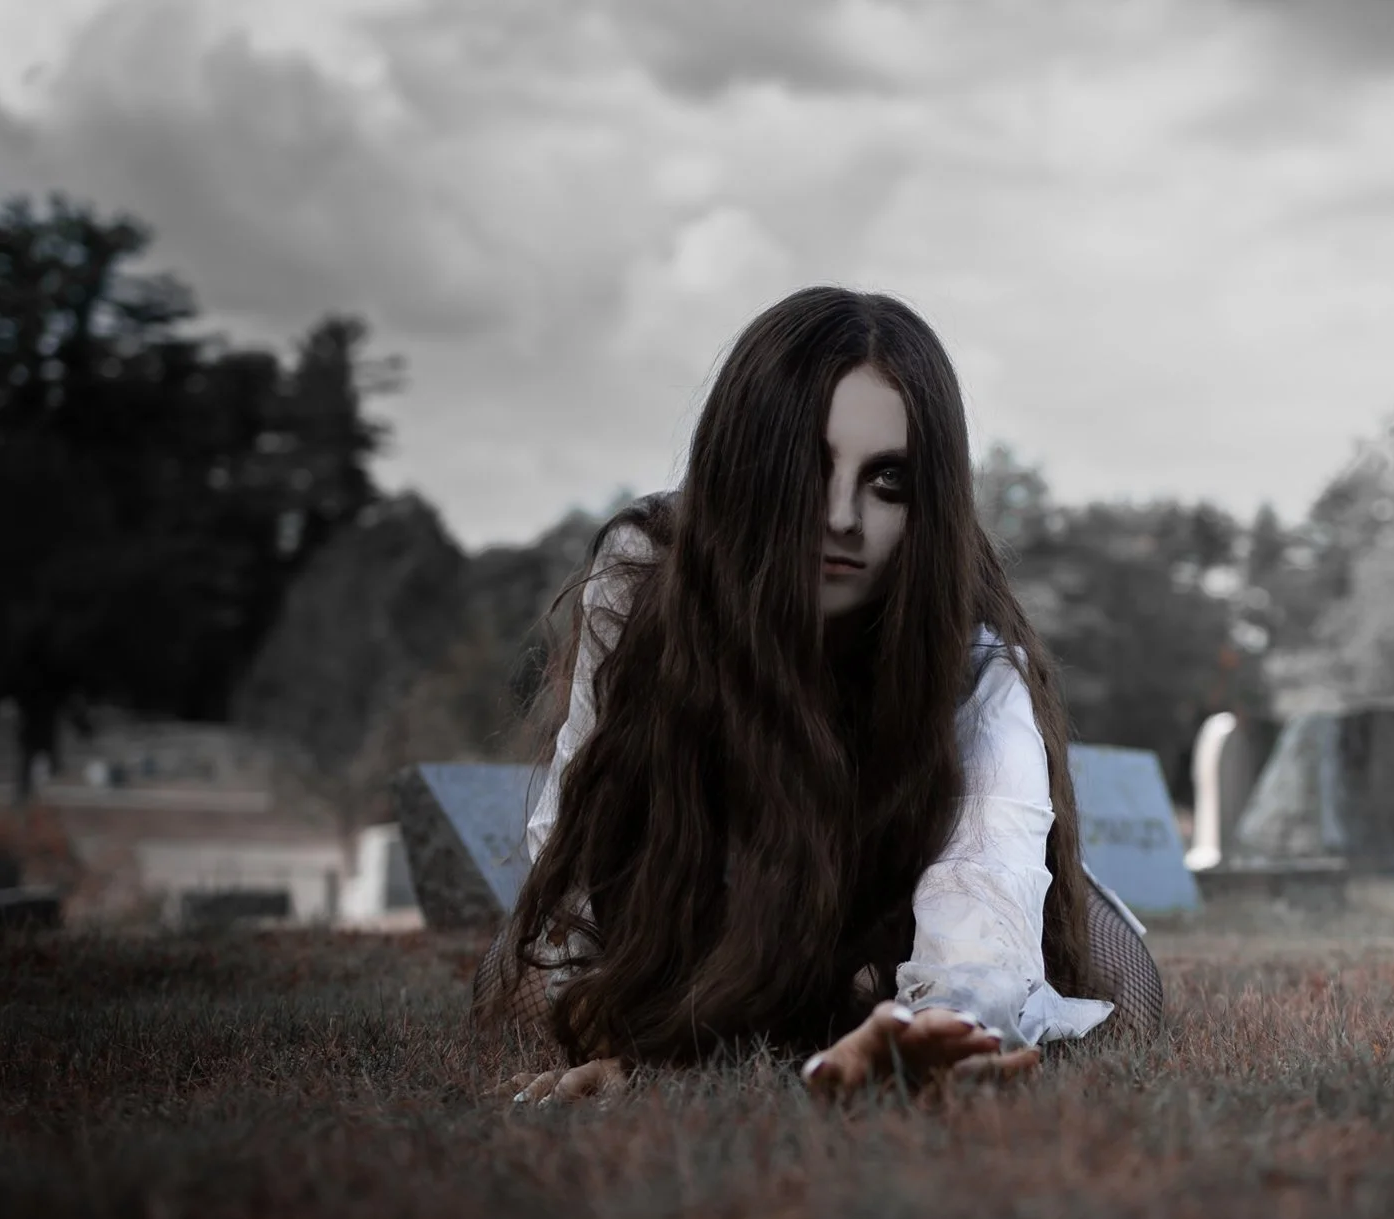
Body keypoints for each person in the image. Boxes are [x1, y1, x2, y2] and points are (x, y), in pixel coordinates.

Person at [476, 287, 1163, 1105]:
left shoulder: (972, 651)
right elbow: (583, 822)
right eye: (808, 467)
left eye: (888, 482)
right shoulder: (644, 579)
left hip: (894, 907)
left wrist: (930, 1028)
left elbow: (983, 877)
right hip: (707, 899)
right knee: (519, 976)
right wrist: (617, 1032)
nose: (841, 518)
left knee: (1114, 995)